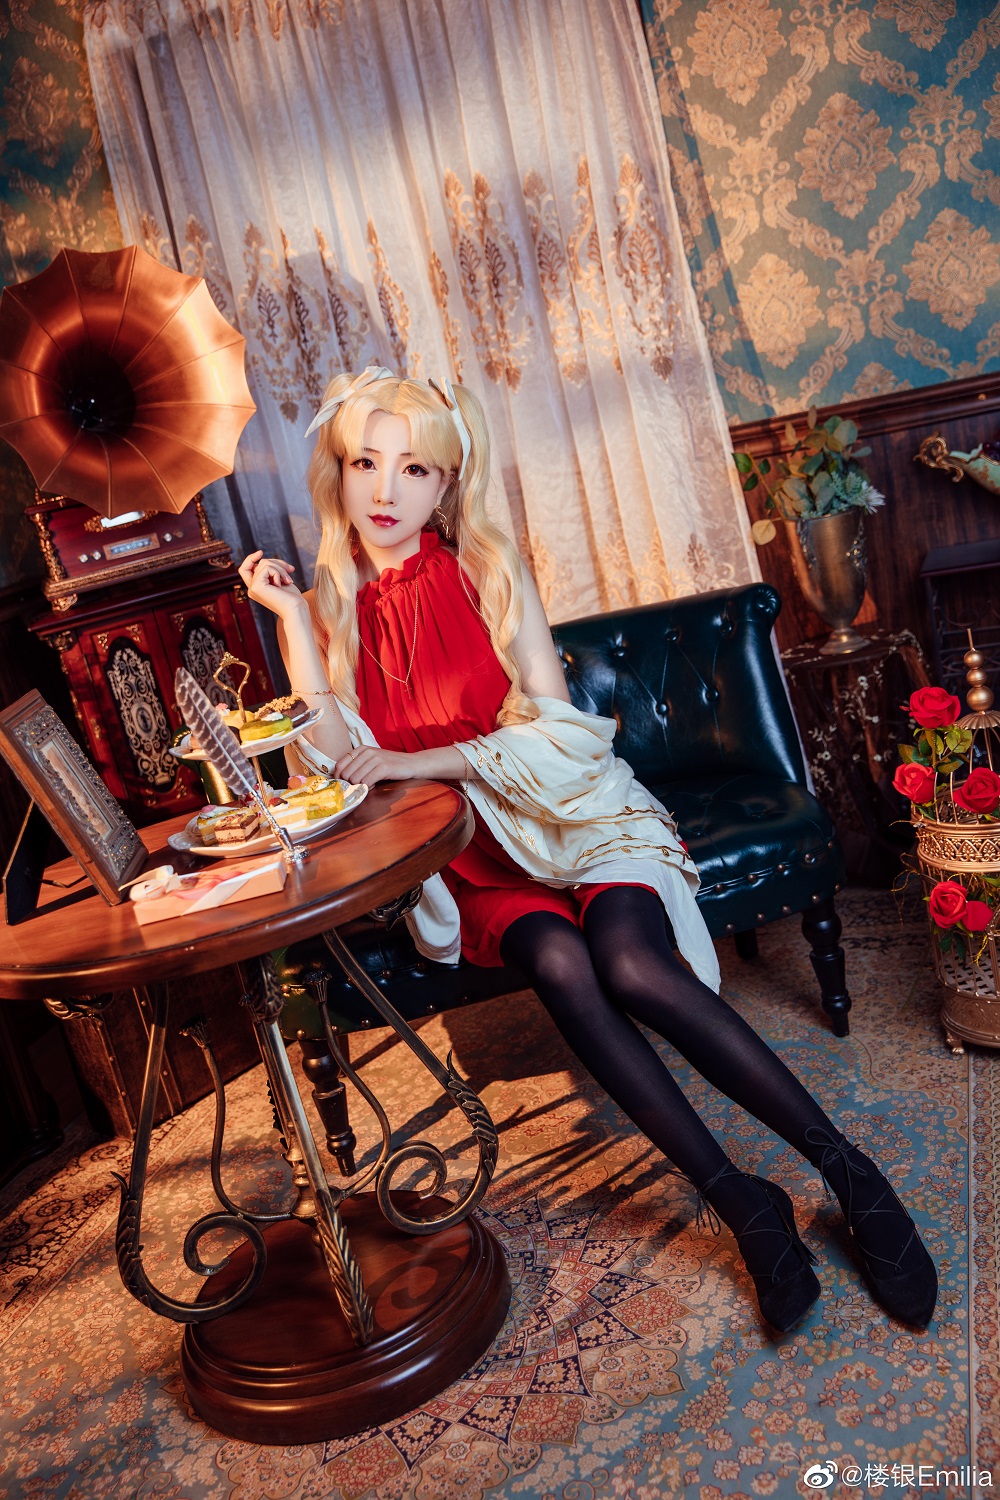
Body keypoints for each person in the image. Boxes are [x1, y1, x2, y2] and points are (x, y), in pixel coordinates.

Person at [238, 366, 936, 1333]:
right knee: (563, 964)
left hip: (573, 814)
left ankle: (850, 1174)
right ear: (337, 473)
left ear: (446, 483)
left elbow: (560, 731)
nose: (386, 490)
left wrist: (419, 757)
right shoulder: (322, 608)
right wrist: (291, 626)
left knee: (632, 964)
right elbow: (330, 763)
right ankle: (746, 1205)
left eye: (414, 468)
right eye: (365, 463)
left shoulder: (487, 570)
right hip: (468, 854)